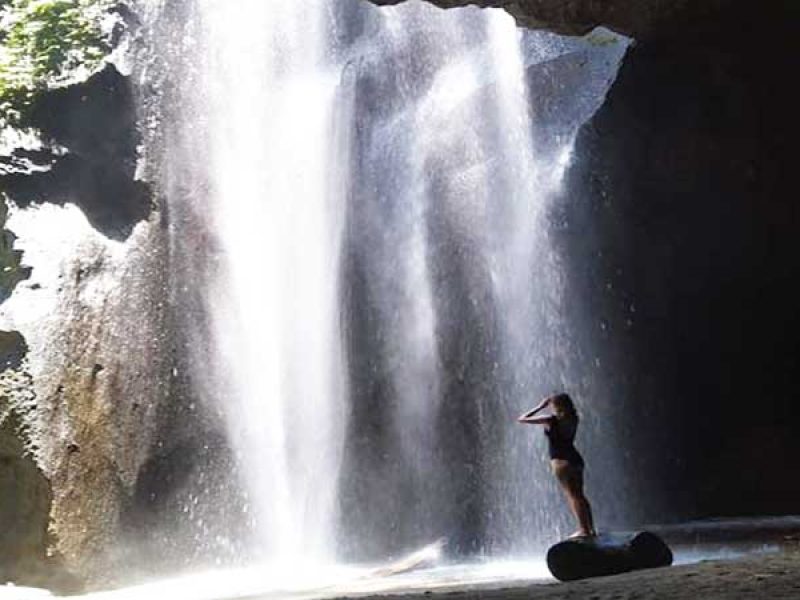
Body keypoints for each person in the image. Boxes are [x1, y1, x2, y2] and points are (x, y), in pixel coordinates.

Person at [518, 392, 596, 539]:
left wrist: (540, 406)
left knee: (572, 495)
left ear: (556, 406)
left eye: (552, 405)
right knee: (580, 495)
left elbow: (522, 419)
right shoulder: (574, 418)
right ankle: (590, 528)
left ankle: (583, 530)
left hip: (561, 461)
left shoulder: (550, 420)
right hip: (575, 459)